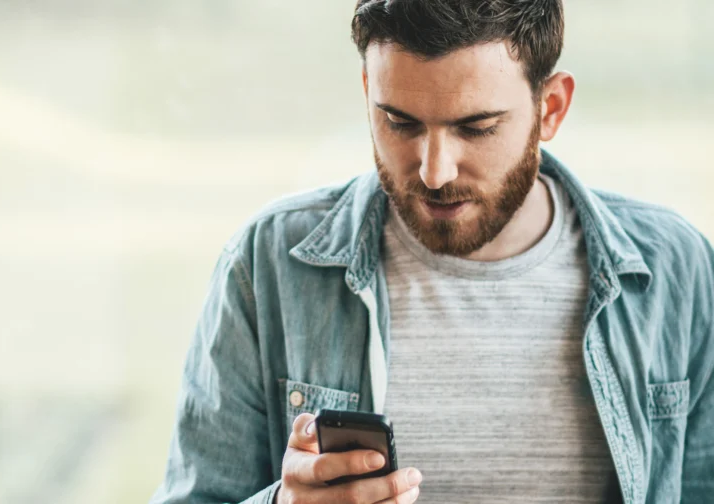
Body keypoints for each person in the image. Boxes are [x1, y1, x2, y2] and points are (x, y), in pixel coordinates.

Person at [150, 1, 714, 502]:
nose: (434, 171)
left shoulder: (676, 271)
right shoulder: (269, 264)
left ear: (552, 108)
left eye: (476, 128)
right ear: (367, 90)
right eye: (399, 122)